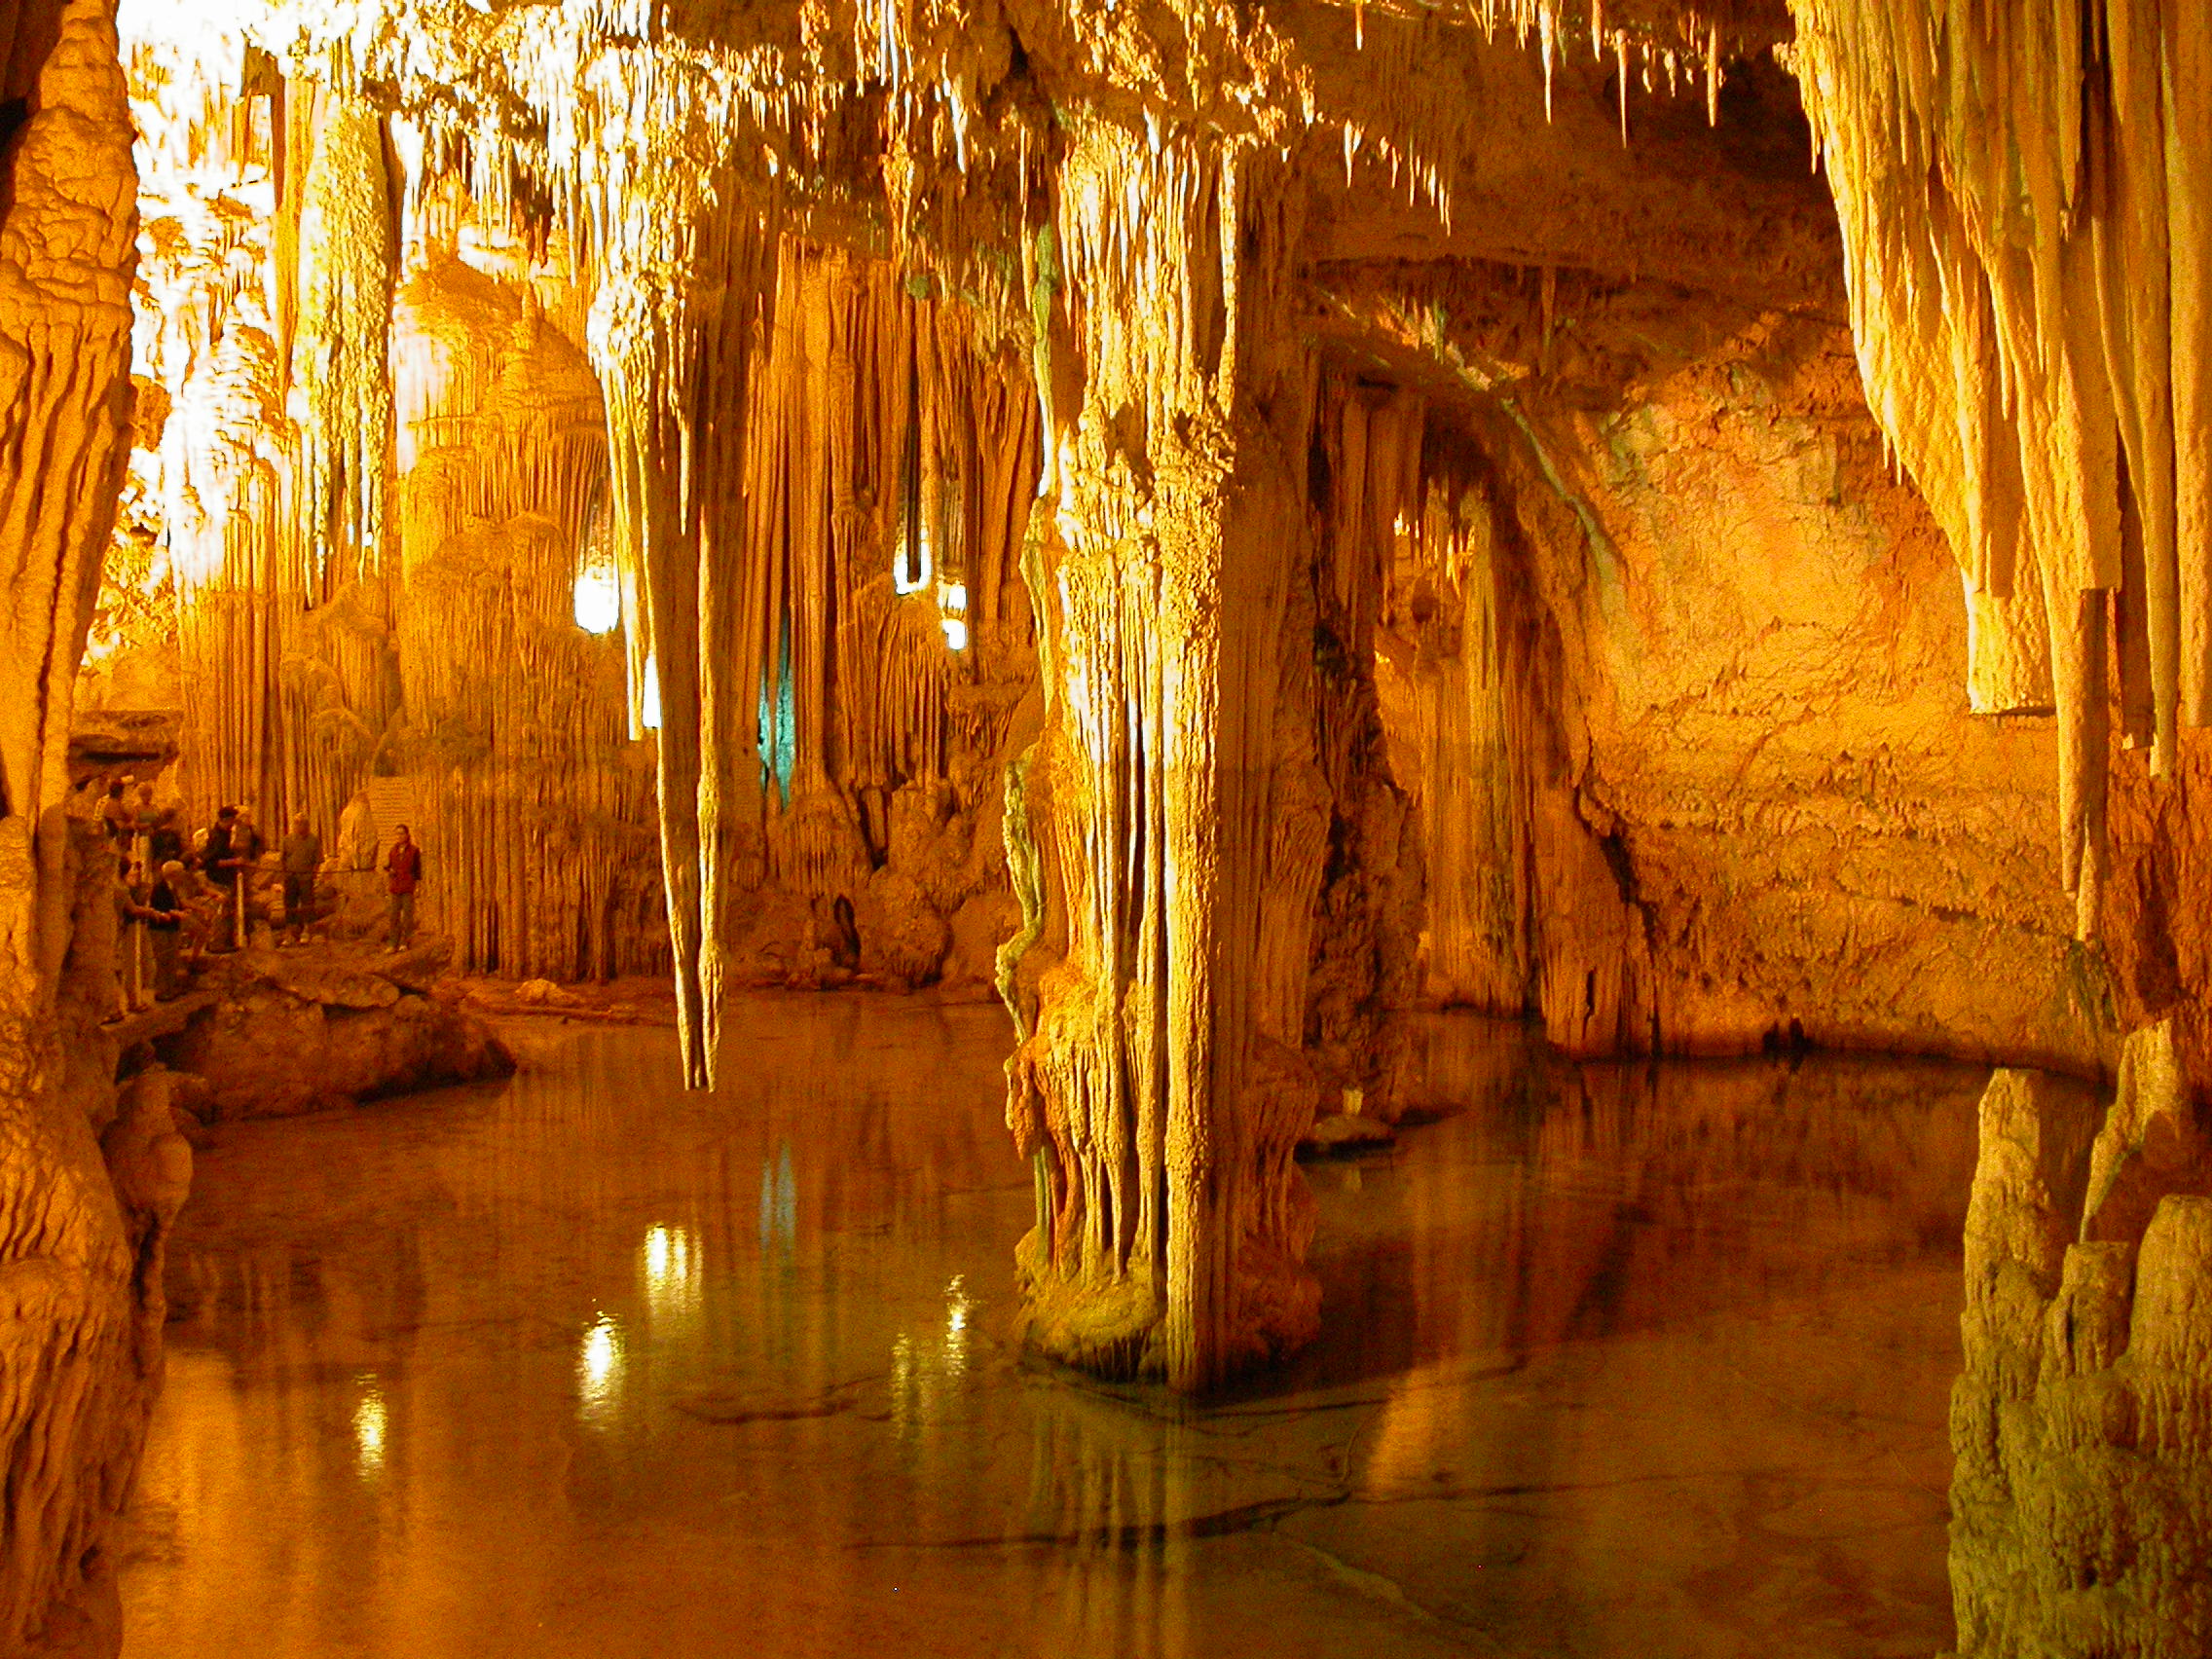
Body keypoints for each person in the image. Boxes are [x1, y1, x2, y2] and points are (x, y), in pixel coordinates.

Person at [144, 860, 189, 999]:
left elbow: (175, 904)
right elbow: (159, 908)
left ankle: (170, 988)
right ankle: (162, 990)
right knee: (162, 959)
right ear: (174, 874)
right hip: (161, 928)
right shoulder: (159, 888)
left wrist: (182, 910)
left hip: (172, 927)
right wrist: (175, 913)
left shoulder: (173, 888)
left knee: (172, 959)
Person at [279, 812, 322, 945]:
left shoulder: (314, 840)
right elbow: (283, 858)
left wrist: (314, 873)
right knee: (290, 904)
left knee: (307, 904)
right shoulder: (287, 840)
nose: (300, 826)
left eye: (303, 823)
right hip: (291, 877)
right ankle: (290, 933)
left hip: (306, 877)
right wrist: (285, 873)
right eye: (297, 823)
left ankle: (307, 930)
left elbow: (318, 860)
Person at [201, 806, 239, 952]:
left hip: (226, 878)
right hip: (218, 880)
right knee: (219, 913)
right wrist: (233, 862)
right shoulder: (216, 837)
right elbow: (210, 862)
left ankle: (224, 941)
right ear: (226, 820)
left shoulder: (226, 834)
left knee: (226, 912)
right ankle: (216, 943)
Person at [384, 825, 423, 951]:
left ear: (407, 835)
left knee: (407, 917)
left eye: (402, 833)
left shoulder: (414, 851)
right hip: (395, 887)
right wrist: (390, 870)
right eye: (397, 834)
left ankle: (405, 943)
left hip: (408, 887)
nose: (399, 836)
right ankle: (392, 943)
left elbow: (417, 871)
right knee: (393, 917)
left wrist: (417, 887)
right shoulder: (393, 851)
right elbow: (389, 865)